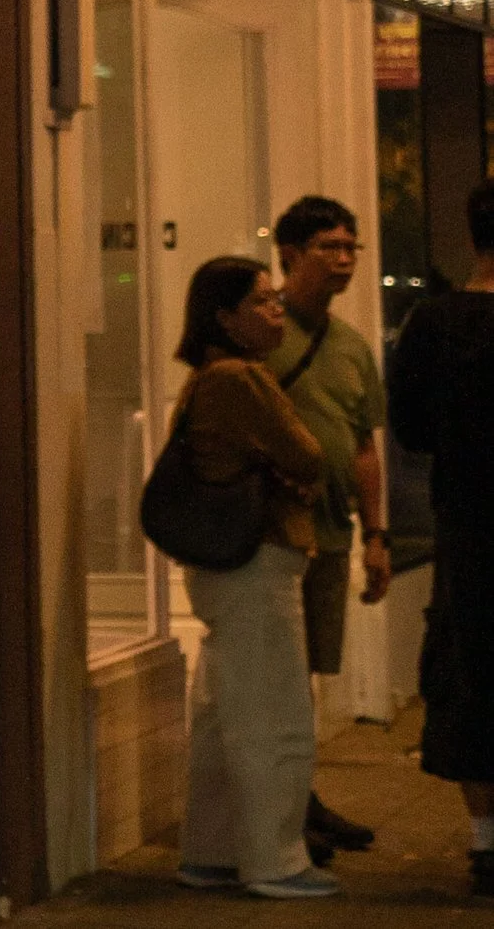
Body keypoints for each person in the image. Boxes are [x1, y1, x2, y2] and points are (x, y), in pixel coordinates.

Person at [170, 256, 336, 899]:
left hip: (222, 569)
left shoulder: (207, 379)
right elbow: (309, 454)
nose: (276, 311)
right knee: (274, 714)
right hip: (256, 565)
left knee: (222, 716)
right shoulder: (242, 379)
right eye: (263, 301)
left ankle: (210, 852)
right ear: (225, 317)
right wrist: (292, 465)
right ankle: (275, 861)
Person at [265, 195, 391, 856]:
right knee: (279, 676)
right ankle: (281, 813)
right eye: (329, 247)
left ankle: (300, 800)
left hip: (332, 533)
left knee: (309, 671)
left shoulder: (349, 344)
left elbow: (364, 445)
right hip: (271, 537)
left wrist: (376, 535)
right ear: (289, 253)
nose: (343, 260)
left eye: (351, 247)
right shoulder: (262, 329)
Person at [387, 176, 494, 898]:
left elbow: (413, 427)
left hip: (470, 519)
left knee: (473, 666)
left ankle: (488, 841)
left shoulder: (434, 322)